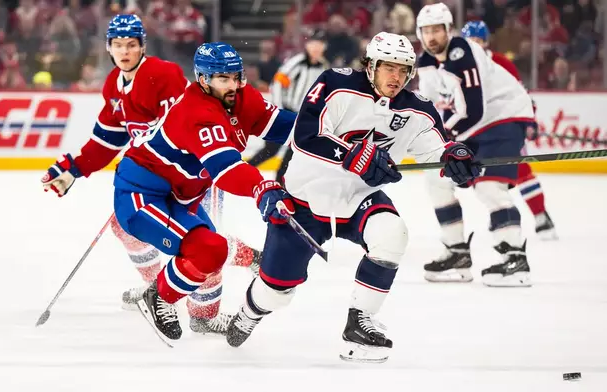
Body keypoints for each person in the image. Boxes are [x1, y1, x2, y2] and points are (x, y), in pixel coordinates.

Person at [224, 32, 480, 363]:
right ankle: (249, 312)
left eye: (404, 70)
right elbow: (305, 134)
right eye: (389, 68)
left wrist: (454, 156)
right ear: (371, 65)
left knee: (391, 233)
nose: (397, 77)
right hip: (304, 199)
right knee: (276, 292)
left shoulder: (418, 109)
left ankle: (359, 323)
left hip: (359, 198)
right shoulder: (335, 83)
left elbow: (437, 145)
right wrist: (353, 156)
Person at [41, 15, 260, 335]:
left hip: (194, 173)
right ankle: (157, 290)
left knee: (205, 242)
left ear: (142, 46)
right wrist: (74, 168)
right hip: (158, 177)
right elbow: (107, 138)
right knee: (126, 226)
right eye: (117, 45)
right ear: (109, 48)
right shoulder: (115, 84)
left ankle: (205, 313)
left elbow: (180, 124)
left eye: (131, 45)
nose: (125, 51)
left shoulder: (163, 74)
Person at [112, 42, 297, 346]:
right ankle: (158, 294)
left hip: (182, 196)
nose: (234, 85)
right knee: (207, 250)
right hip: (141, 195)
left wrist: (329, 130)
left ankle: (203, 316)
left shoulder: (241, 97)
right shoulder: (197, 111)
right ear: (203, 80)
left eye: (237, 76)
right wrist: (261, 186)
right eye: (223, 79)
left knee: (213, 254)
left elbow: (285, 127)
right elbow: (225, 169)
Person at [415, 3, 536, 287]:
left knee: (489, 187)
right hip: (471, 126)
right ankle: (457, 253)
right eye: (426, 31)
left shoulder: (464, 52)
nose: (432, 37)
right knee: (437, 178)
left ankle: (515, 260)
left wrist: (446, 139)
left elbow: (474, 110)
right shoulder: (426, 63)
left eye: (437, 30)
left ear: (448, 30)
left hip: (502, 118)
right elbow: (432, 110)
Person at [461, 20, 558, 240]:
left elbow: (520, 95)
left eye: (478, 41)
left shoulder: (501, 63)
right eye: (470, 41)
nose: (474, 45)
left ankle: (541, 217)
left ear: (485, 42)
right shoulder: (460, 67)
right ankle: (500, 214)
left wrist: (528, 121)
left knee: (522, 172)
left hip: (504, 128)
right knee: (486, 178)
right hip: (477, 133)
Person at [248, 30, 330, 182]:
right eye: (313, 44)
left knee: (293, 152)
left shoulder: (323, 67)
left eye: (319, 45)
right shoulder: (297, 62)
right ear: (307, 45)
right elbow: (278, 82)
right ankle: (245, 171)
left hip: (302, 116)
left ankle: (280, 181)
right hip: (286, 111)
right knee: (271, 149)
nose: (316, 48)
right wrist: (279, 108)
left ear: (324, 47)